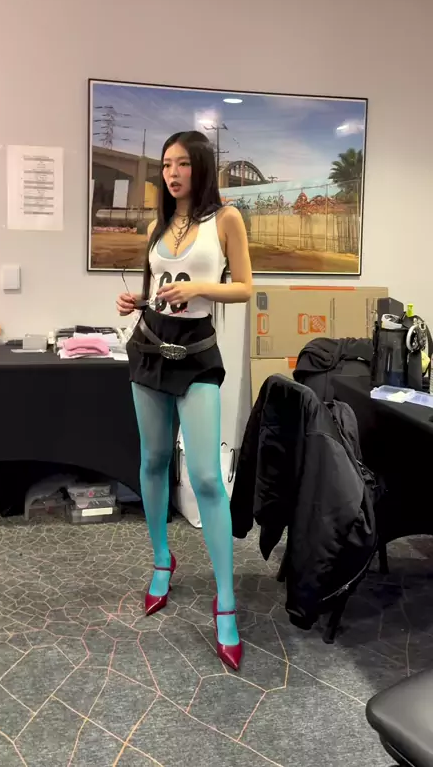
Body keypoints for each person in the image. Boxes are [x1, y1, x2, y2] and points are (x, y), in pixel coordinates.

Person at [116, 130, 252, 670]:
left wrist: (199, 289)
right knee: (152, 461)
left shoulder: (226, 219)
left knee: (205, 478)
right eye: (166, 165)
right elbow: (158, 290)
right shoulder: (158, 225)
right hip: (149, 348)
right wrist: (138, 300)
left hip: (197, 355)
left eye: (182, 164)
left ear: (201, 167)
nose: (172, 174)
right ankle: (161, 560)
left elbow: (244, 286)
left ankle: (226, 602)